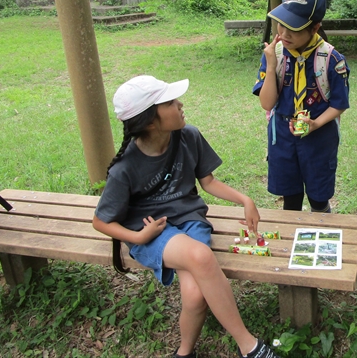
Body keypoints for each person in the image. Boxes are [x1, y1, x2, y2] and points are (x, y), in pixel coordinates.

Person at [93, 75, 280, 358]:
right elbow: (101, 221)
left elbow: (208, 181)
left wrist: (245, 199)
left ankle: (184, 353)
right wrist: (137, 237)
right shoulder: (125, 168)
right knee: (202, 258)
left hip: (190, 222)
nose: (180, 104)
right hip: (154, 232)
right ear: (150, 122)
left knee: (194, 296)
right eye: (169, 102)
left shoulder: (188, 136)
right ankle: (250, 347)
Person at [253, 0, 350, 213]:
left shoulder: (331, 59)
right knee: (291, 200)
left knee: (318, 200)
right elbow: (266, 103)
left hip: (319, 140)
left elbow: (339, 104)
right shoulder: (274, 53)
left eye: (293, 28)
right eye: (281, 25)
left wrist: (315, 123)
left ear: (315, 27)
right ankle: (291, 244)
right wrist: (272, 62)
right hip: (283, 137)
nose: (284, 34)